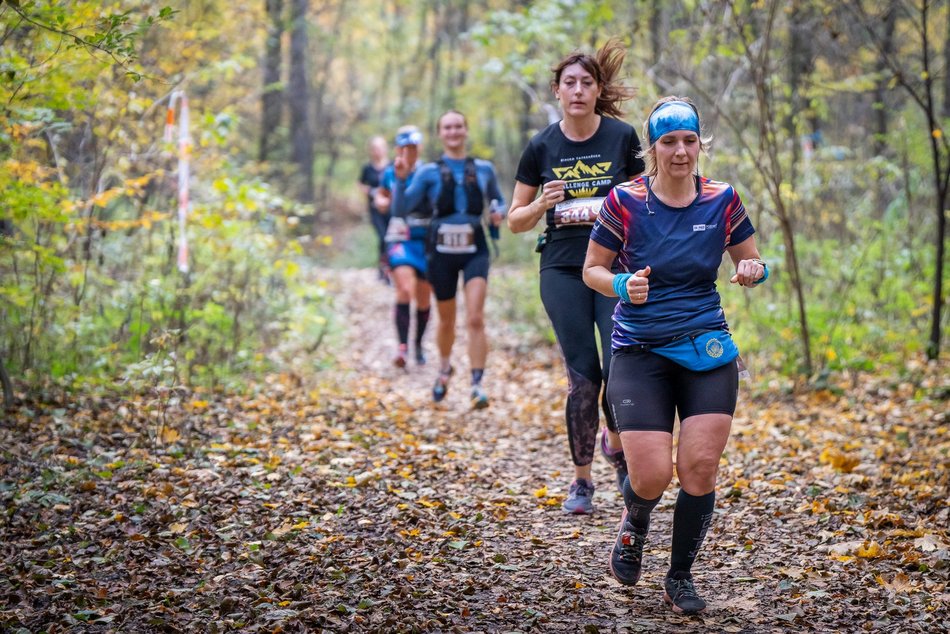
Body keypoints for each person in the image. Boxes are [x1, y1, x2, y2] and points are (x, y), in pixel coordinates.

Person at [582, 96, 768, 614]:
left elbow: (752, 260)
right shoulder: (624, 201)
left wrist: (754, 271)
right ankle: (636, 520)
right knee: (651, 477)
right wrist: (621, 283)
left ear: (700, 144)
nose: (681, 152)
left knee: (700, 469)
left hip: (706, 348)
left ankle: (679, 575)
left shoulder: (722, 200)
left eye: (689, 141)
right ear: (653, 149)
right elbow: (591, 269)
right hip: (640, 351)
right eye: (669, 142)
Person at [506, 38, 645, 515]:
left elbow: (649, 200)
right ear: (558, 92)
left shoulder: (622, 138)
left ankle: (620, 452)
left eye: (587, 83)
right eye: (570, 83)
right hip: (563, 266)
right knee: (583, 375)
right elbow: (514, 220)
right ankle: (582, 481)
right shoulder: (542, 145)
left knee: (618, 367)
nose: (579, 90)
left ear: (598, 88)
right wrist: (542, 204)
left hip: (614, 266)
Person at [391, 110, 504, 409]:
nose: (453, 132)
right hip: (440, 251)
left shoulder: (484, 169)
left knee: (476, 317)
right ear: (440, 134)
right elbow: (401, 210)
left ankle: (477, 384)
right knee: (446, 320)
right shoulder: (428, 172)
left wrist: (498, 213)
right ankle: (444, 370)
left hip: (474, 248)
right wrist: (401, 181)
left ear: (466, 131)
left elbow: (498, 200)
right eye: (447, 128)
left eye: (458, 127)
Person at [377, 126, 433, 367]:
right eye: (403, 147)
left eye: (412, 146)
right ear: (397, 148)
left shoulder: (429, 172)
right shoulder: (390, 172)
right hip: (400, 239)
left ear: (419, 147)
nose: (408, 151)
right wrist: (380, 201)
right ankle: (402, 347)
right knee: (404, 290)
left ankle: (418, 345)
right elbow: (382, 195)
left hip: (427, 240)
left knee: (423, 298)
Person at [358, 135, 391, 283]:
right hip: (374, 210)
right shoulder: (367, 168)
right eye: (375, 148)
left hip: (391, 209)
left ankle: (390, 269)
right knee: (382, 237)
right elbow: (360, 184)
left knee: (390, 238)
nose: (377, 151)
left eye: (380, 148)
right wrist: (372, 192)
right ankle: (383, 269)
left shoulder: (391, 166)